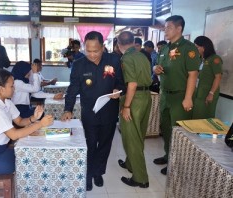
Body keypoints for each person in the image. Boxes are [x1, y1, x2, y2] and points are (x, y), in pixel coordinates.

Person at [61, 31, 125, 191]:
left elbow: (121, 83)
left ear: (103, 47)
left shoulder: (114, 60)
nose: (91, 54)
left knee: (104, 144)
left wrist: (118, 90)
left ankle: (98, 172)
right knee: (89, 144)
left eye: (95, 51)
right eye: (88, 50)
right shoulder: (79, 64)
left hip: (109, 111)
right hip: (89, 113)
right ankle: (88, 174)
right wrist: (68, 109)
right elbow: (72, 88)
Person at [0, 69, 54, 176]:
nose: (14, 89)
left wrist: (34, 118)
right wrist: (40, 124)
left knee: (29, 156)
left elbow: (19, 121)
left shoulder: (6, 102)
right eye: (11, 86)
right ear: (1, 89)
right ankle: (28, 189)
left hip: (0, 151)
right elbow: (14, 135)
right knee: (27, 163)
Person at [153, 15, 201, 175]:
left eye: (168, 27)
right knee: (166, 129)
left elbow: (193, 74)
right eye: (165, 27)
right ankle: (168, 155)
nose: (165, 30)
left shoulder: (189, 48)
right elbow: (161, 67)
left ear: (179, 29)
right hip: (165, 95)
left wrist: (188, 98)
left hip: (180, 96)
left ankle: (178, 164)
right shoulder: (165, 48)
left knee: (179, 132)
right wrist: (156, 69)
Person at [117, 31, 152, 188]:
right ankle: (130, 163)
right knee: (139, 134)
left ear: (119, 44)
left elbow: (131, 84)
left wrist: (126, 106)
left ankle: (140, 178)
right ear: (133, 41)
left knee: (132, 138)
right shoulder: (141, 55)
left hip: (134, 100)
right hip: (146, 97)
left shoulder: (127, 57)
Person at [192, 36, 222, 119]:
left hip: (207, 95)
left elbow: (218, 77)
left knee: (205, 119)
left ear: (204, 47)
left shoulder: (215, 59)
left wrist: (211, 93)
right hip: (199, 94)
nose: (196, 49)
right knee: (196, 117)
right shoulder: (203, 60)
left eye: (197, 47)